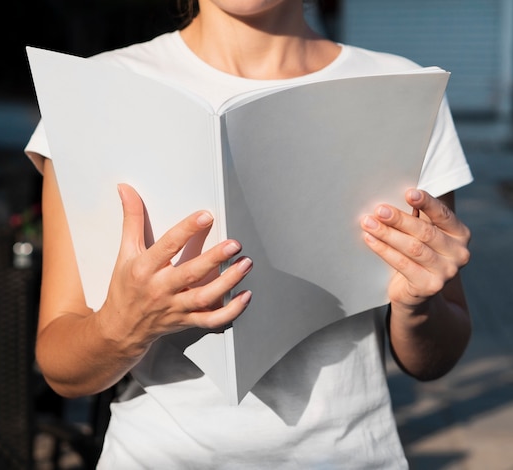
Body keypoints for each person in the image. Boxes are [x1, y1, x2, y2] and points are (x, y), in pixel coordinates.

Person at [24, 0, 473, 467]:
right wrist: (124, 325)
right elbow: (63, 369)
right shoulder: (93, 92)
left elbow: (435, 358)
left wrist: (418, 303)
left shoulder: (402, 93)